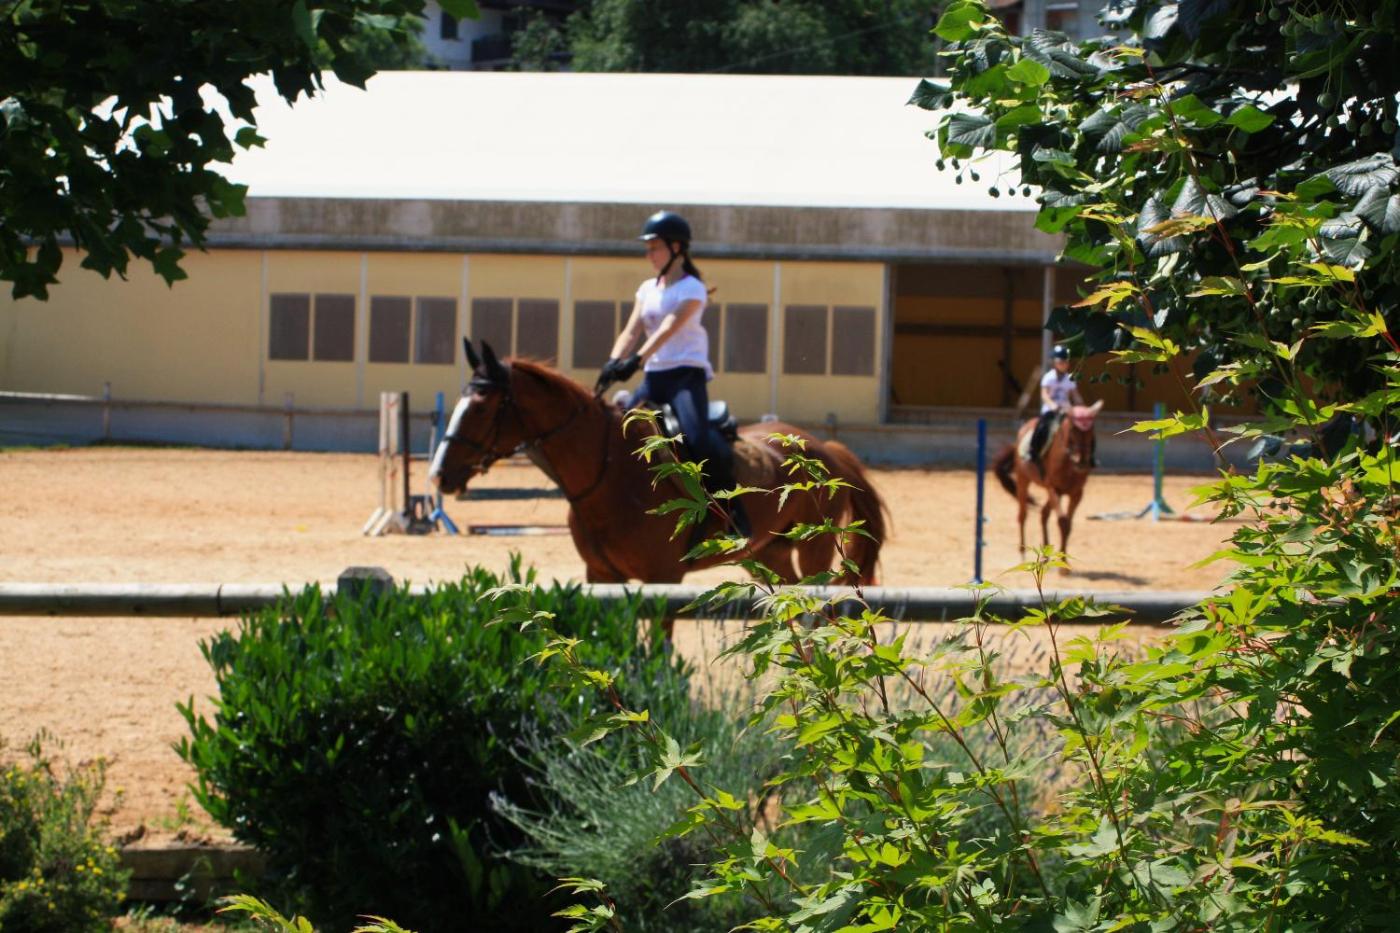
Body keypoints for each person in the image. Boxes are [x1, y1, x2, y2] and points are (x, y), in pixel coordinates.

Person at [596, 211, 749, 536]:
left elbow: (668, 328)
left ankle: (732, 511)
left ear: (676, 248)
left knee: (697, 439)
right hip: (654, 379)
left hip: (685, 378)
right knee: (618, 435)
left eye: (655, 247)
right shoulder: (646, 289)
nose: (649, 254)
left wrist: (635, 361)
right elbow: (631, 330)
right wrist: (612, 362)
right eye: (647, 248)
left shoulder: (692, 289)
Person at [1029, 344, 1085, 465]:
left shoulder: (1070, 378)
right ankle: (1033, 452)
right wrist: (1053, 405)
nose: (1064, 364)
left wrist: (1082, 407)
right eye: (1061, 362)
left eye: (1066, 362)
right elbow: (1044, 395)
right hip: (1050, 411)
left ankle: (1088, 457)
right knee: (1041, 428)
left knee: (1084, 429)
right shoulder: (1048, 377)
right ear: (1055, 363)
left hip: (1066, 411)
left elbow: (1075, 395)